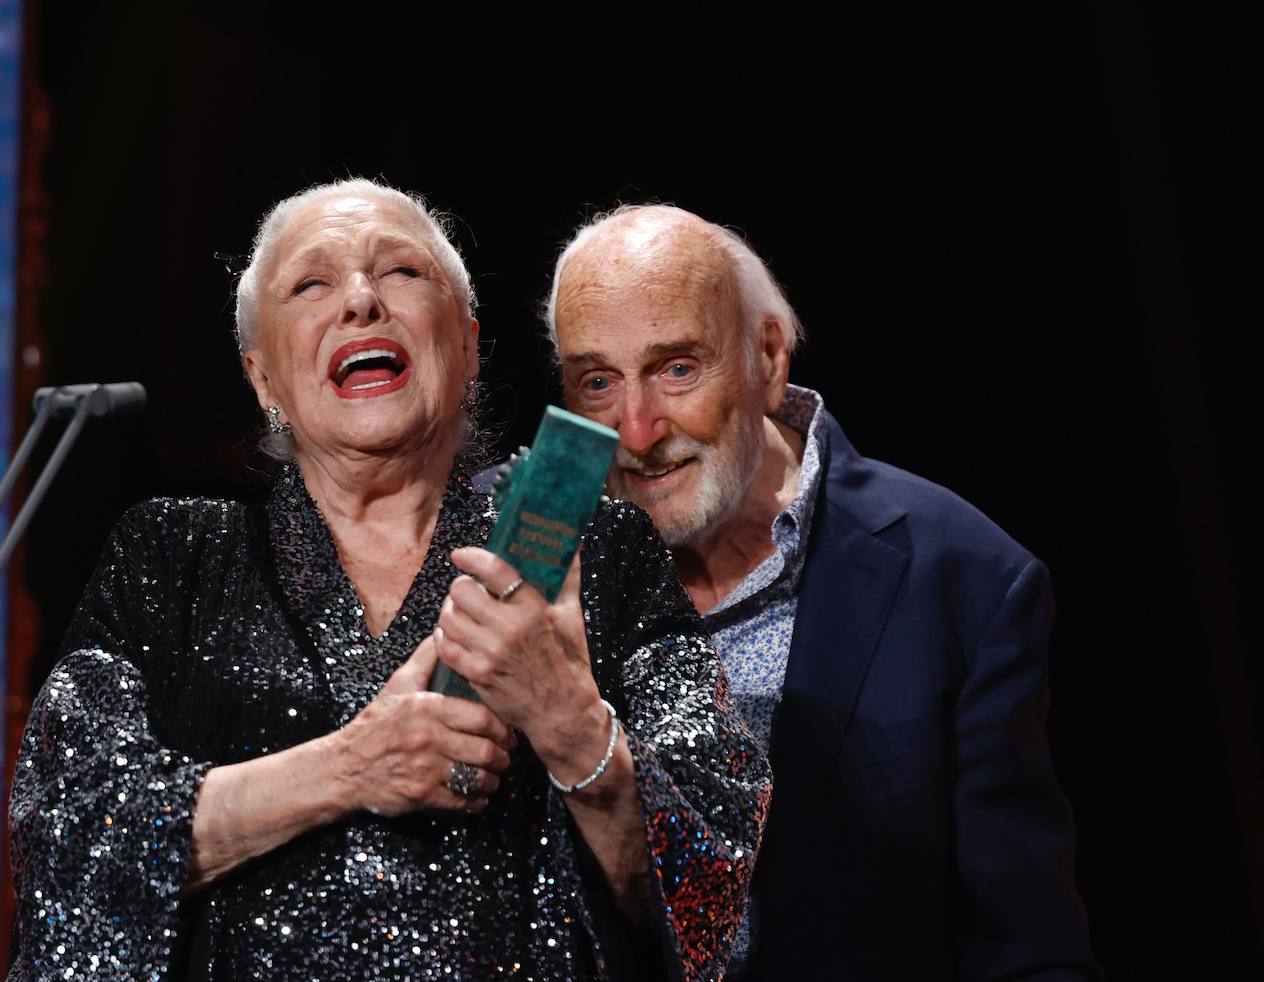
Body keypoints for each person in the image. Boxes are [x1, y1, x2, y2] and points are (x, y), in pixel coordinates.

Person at [7, 182, 769, 982]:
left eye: (401, 272)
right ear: (264, 379)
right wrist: (347, 767)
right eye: (312, 284)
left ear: (469, 344)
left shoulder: (601, 554)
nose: (361, 302)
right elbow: (64, 836)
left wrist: (571, 723)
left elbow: (712, 886)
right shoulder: (171, 555)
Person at [545, 205, 1100, 980]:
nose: (637, 431)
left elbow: (1024, 949)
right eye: (597, 382)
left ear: (767, 358)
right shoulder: (536, 547)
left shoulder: (963, 577)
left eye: (677, 369)